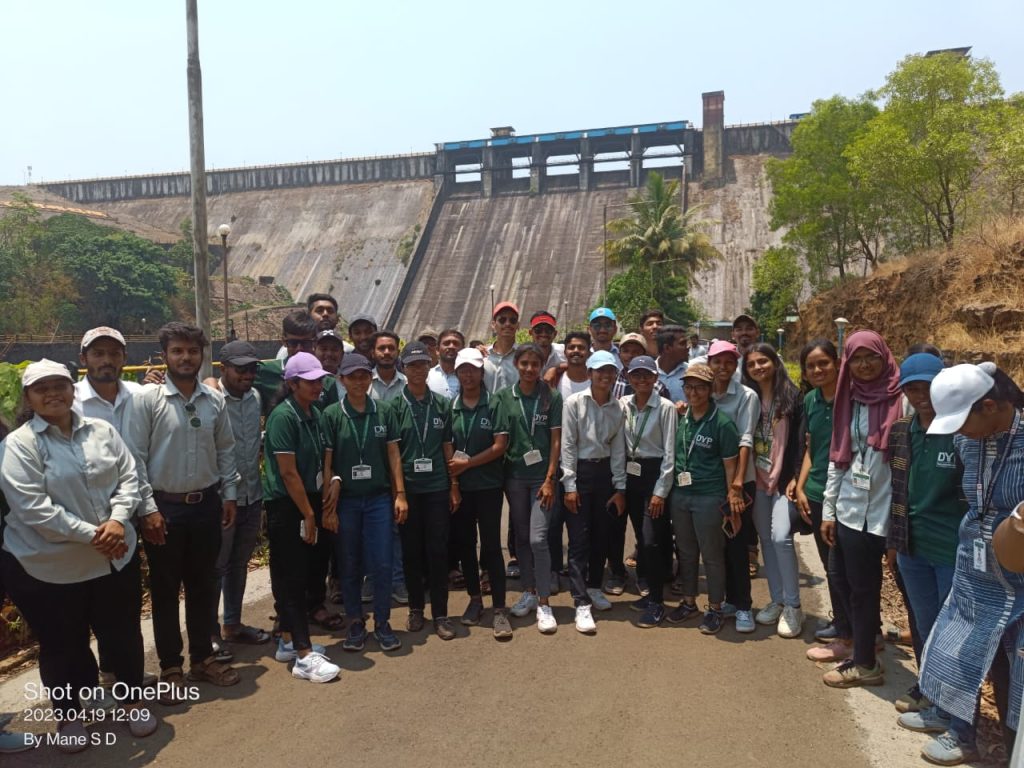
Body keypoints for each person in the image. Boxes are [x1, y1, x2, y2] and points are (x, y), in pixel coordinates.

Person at [1, 360, 157, 748]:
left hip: (113, 557)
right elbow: (33, 509)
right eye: (42, 389)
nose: (53, 394)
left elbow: (129, 477)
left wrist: (119, 520)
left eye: (60, 385)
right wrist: (96, 535)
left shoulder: (102, 431)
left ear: (73, 389)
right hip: (53, 566)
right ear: (29, 398)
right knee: (63, 643)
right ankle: (70, 716)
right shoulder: (19, 445)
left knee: (121, 634)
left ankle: (131, 699)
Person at [913, 363, 1024, 765]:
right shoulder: (968, 443)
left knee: (1017, 675)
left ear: (991, 406)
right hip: (977, 569)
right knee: (968, 650)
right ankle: (961, 731)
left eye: (963, 422)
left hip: (1019, 575)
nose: (959, 433)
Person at [126, 323, 241, 700]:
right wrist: (147, 509)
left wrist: (229, 494)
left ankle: (202, 659)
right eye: (178, 351)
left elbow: (226, 449)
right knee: (164, 589)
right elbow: (135, 459)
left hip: (206, 505)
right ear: (165, 355)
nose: (186, 357)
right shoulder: (147, 400)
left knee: (203, 586)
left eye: (192, 351)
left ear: (201, 355)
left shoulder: (214, 400)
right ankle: (171, 667)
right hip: (165, 510)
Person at [886, 354, 967, 735]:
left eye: (927, 386)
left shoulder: (964, 429)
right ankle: (936, 703)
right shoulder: (902, 431)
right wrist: (893, 543)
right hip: (911, 548)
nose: (920, 395)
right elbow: (896, 489)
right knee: (926, 626)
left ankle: (959, 718)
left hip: (952, 550)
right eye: (912, 387)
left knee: (956, 635)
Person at [820, 330, 902, 688]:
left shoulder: (906, 398)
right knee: (861, 589)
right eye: (856, 358)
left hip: (893, 513)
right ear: (847, 363)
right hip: (853, 511)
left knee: (911, 593)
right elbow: (839, 456)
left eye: (871, 357)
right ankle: (865, 662)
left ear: (885, 357)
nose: (865, 365)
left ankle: (933, 688)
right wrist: (829, 510)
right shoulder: (848, 399)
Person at [72, 326, 151, 689]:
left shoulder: (138, 395)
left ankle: (124, 671)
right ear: (84, 359)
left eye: (114, 353)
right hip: (86, 520)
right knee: (88, 606)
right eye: (98, 353)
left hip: (132, 511)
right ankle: (102, 678)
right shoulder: (69, 401)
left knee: (125, 600)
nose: (107, 360)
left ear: (124, 359)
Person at [261, 352, 341, 682]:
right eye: (310, 381)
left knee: (304, 572)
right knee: (291, 577)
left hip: (308, 500)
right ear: (292, 384)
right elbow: (288, 472)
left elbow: (324, 458)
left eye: (320, 379)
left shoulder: (314, 413)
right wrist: (308, 515)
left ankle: (288, 640)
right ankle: (304, 656)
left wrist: (330, 486)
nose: (318, 385)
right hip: (287, 505)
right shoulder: (283, 416)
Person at [322, 353, 406, 653]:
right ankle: (355, 622)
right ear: (341, 380)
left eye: (363, 375)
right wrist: (328, 509)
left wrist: (400, 494)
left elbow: (394, 455)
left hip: (378, 500)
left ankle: (383, 623)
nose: (358, 381)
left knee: (382, 563)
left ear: (369, 378)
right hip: (346, 502)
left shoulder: (383, 411)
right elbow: (328, 463)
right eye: (351, 376)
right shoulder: (332, 414)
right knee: (349, 563)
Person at [665, 364, 743, 634]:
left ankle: (716, 607)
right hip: (681, 495)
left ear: (710, 390)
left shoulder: (722, 424)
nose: (693, 392)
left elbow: (730, 467)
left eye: (699, 387)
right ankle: (688, 603)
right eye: (688, 386)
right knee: (686, 553)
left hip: (709, 497)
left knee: (711, 555)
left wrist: (732, 497)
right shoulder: (681, 417)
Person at [491, 344, 563, 633]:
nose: (530, 369)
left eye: (535, 364)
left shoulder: (552, 397)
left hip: (541, 478)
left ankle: (545, 602)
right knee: (521, 537)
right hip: (515, 477)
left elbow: (556, 441)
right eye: (524, 364)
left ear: (542, 365)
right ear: (516, 365)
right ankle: (530, 591)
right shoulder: (503, 398)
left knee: (537, 538)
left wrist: (550, 479)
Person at [206, 341, 271, 661]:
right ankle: (210, 633)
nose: (248, 375)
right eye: (240, 369)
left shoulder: (255, 397)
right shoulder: (211, 399)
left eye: (252, 369)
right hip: (222, 500)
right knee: (216, 567)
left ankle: (232, 624)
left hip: (251, 495)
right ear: (223, 369)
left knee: (238, 565)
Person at [390, 342, 457, 640]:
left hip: (437, 488)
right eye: (412, 365)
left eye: (422, 364)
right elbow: (392, 454)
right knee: (411, 551)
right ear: (403, 369)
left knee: (438, 550)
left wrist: (454, 485)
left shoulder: (441, 405)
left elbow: (447, 447)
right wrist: (400, 494)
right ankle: (416, 608)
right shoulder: (393, 407)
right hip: (409, 491)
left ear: (429, 367)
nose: (417, 370)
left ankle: (441, 613)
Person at [789, 339, 851, 657]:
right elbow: (812, 449)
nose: (817, 369)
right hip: (815, 493)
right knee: (830, 565)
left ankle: (860, 631)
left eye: (823, 363)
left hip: (846, 495)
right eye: (811, 365)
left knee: (848, 566)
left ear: (837, 363)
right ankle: (843, 624)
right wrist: (800, 487)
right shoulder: (811, 400)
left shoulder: (852, 399)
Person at [447, 348, 512, 638]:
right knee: (465, 545)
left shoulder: (495, 403)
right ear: (457, 373)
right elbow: (448, 448)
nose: (468, 375)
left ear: (481, 372)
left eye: (473, 369)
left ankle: (499, 608)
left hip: (488, 485)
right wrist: (455, 485)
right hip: (463, 489)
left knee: (490, 546)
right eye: (463, 370)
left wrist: (468, 464)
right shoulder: (452, 406)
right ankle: (475, 600)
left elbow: (501, 446)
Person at [561, 350, 626, 633]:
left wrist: (620, 487)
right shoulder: (574, 402)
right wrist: (570, 485)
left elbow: (619, 449)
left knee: (602, 534)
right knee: (579, 540)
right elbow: (568, 446)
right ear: (589, 374)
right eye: (600, 371)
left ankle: (594, 585)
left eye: (610, 372)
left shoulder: (618, 408)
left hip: (605, 476)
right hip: (581, 473)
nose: (605, 376)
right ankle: (581, 602)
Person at [743, 342, 805, 639]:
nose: (758, 367)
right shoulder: (747, 398)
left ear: (775, 362)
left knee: (781, 537)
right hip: (756, 478)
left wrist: (796, 477)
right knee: (766, 540)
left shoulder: (793, 398)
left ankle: (793, 606)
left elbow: (804, 442)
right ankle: (777, 599)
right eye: (752, 363)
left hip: (783, 481)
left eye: (763, 361)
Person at [619, 356, 677, 627]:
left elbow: (670, 453)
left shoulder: (665, 408)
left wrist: (660, 492)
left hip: (655, 475)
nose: (641, 380)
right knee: (643, 538)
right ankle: (652, 591)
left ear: (656, 378)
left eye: (647, 375)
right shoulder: (624, 405)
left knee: (653, 539)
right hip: (631, 476)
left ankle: (656, 602)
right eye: (636, 375)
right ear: (629, 378)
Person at [707, 340, 760, 634]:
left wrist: (737, 484)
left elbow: (746, 439)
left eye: (729, 362)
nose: (723, 367)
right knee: (719, 545)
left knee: (737, 544)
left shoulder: (746, 396)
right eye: (718, 361)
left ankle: (743, 607)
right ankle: (729, 599)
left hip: (738, 480)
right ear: (709, 362)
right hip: (711, 479)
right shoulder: (703, 392)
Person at [257, 310, 340, 412]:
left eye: (305, 343)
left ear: (314, 343)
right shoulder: (265, 372)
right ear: (283, 341)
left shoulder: (327, 382)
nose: (299, 348)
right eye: (293, 343)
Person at [613, 333, 671, 401]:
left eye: (636, 352)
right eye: (626, 351)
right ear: (619, 355)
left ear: (644, 355)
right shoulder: (612, 380)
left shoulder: (657, 386)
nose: (630, 355)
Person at [484, 301, 520, 393]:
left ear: (518, 325)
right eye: (502, 320)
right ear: (493, 325)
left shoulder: (523, 356)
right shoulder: (483, 356)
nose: (507, 324)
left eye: (512, 320)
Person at [655, 325, 689, 404]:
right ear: (667, 348)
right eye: (682, 343)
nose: (688, 347)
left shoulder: (690, 372)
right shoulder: (648, 373)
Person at [371, 331, 408, 403]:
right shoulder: (363, 383)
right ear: (373, 353)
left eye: (391, 348)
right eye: (381, 348)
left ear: (398, 353)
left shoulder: (407, 384)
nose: (387, 352)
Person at [427, 328, 465, 399]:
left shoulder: (470, 377)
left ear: (463, 349)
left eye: (456, 343)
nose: (451, 346)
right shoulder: (427, 376)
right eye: (446, 343)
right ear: (437, 350)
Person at [529, 310, 566, 375]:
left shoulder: (564, 351)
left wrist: (556, 369)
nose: (543, 334)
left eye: (548, 330)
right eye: (538, 330)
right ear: (530, 333)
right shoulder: (524, 355)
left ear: (555, 334)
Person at [557, 331, 592, 400]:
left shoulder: (596, 381)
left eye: (581, 348)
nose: (576, 350)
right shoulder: (555, 379)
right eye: (571, 347)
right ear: (564, 352)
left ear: (589, 353)